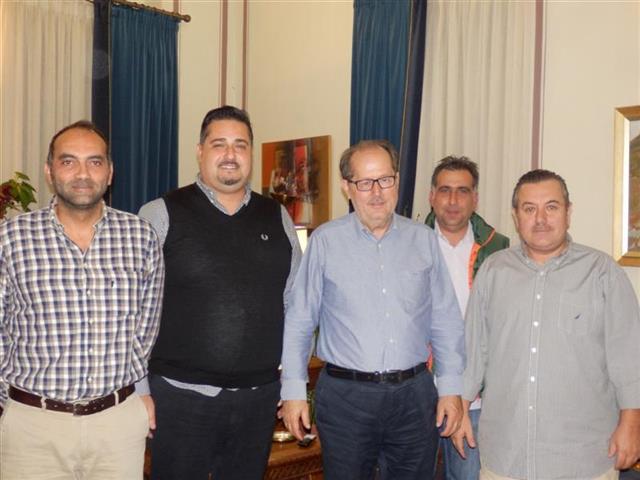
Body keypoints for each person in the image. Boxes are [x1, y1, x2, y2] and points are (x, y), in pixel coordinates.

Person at [280, 139, 465, 479]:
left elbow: (445, 319)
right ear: (347, 187)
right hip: (346, 399)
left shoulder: (423, 240)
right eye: (365, 183)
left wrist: (451, 388)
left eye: (385, 180)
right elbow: (299, 320)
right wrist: (293, 391)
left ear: (397, 180)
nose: (377, 192)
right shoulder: (325, 242)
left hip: (414, 398)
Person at [138, 105, 301, 480]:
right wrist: (139, 389)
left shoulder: (277, 215)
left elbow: (295, 305)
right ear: (200, 151)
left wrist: (292, 383)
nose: (230, 154)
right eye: (219, 144)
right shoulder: (160, 213)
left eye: (240, 145)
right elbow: (132, 311)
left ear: (250, 153)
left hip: (258, 400)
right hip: (179, 399)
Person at [0, 120, 165, 479]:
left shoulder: (141, 237)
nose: (82, 174)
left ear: (110, 172)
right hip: (33, 428)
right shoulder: (11, 238)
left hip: (117, 427)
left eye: (94, 162)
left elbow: (146, 329)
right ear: (49, 171)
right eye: (68, 161)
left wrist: (131, 394)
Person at [454, 169, 640, 479]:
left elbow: (629, 357)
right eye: (529, 209)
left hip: (584, 459)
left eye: (551, 207)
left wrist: (632, 423)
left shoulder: (602, 273)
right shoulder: (493, 271)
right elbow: (473, 351)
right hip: (506, 457)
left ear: (568, 212)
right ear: (516, 216)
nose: (540, 219)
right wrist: (460, 407)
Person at [425, 156, 509, 480]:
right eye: (445, 190)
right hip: (420, 392)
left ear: (475, 198)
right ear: (432, 196)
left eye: (462, 191)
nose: (453, 200)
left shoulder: (498, 250)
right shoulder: (409, 242)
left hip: (475, 398)